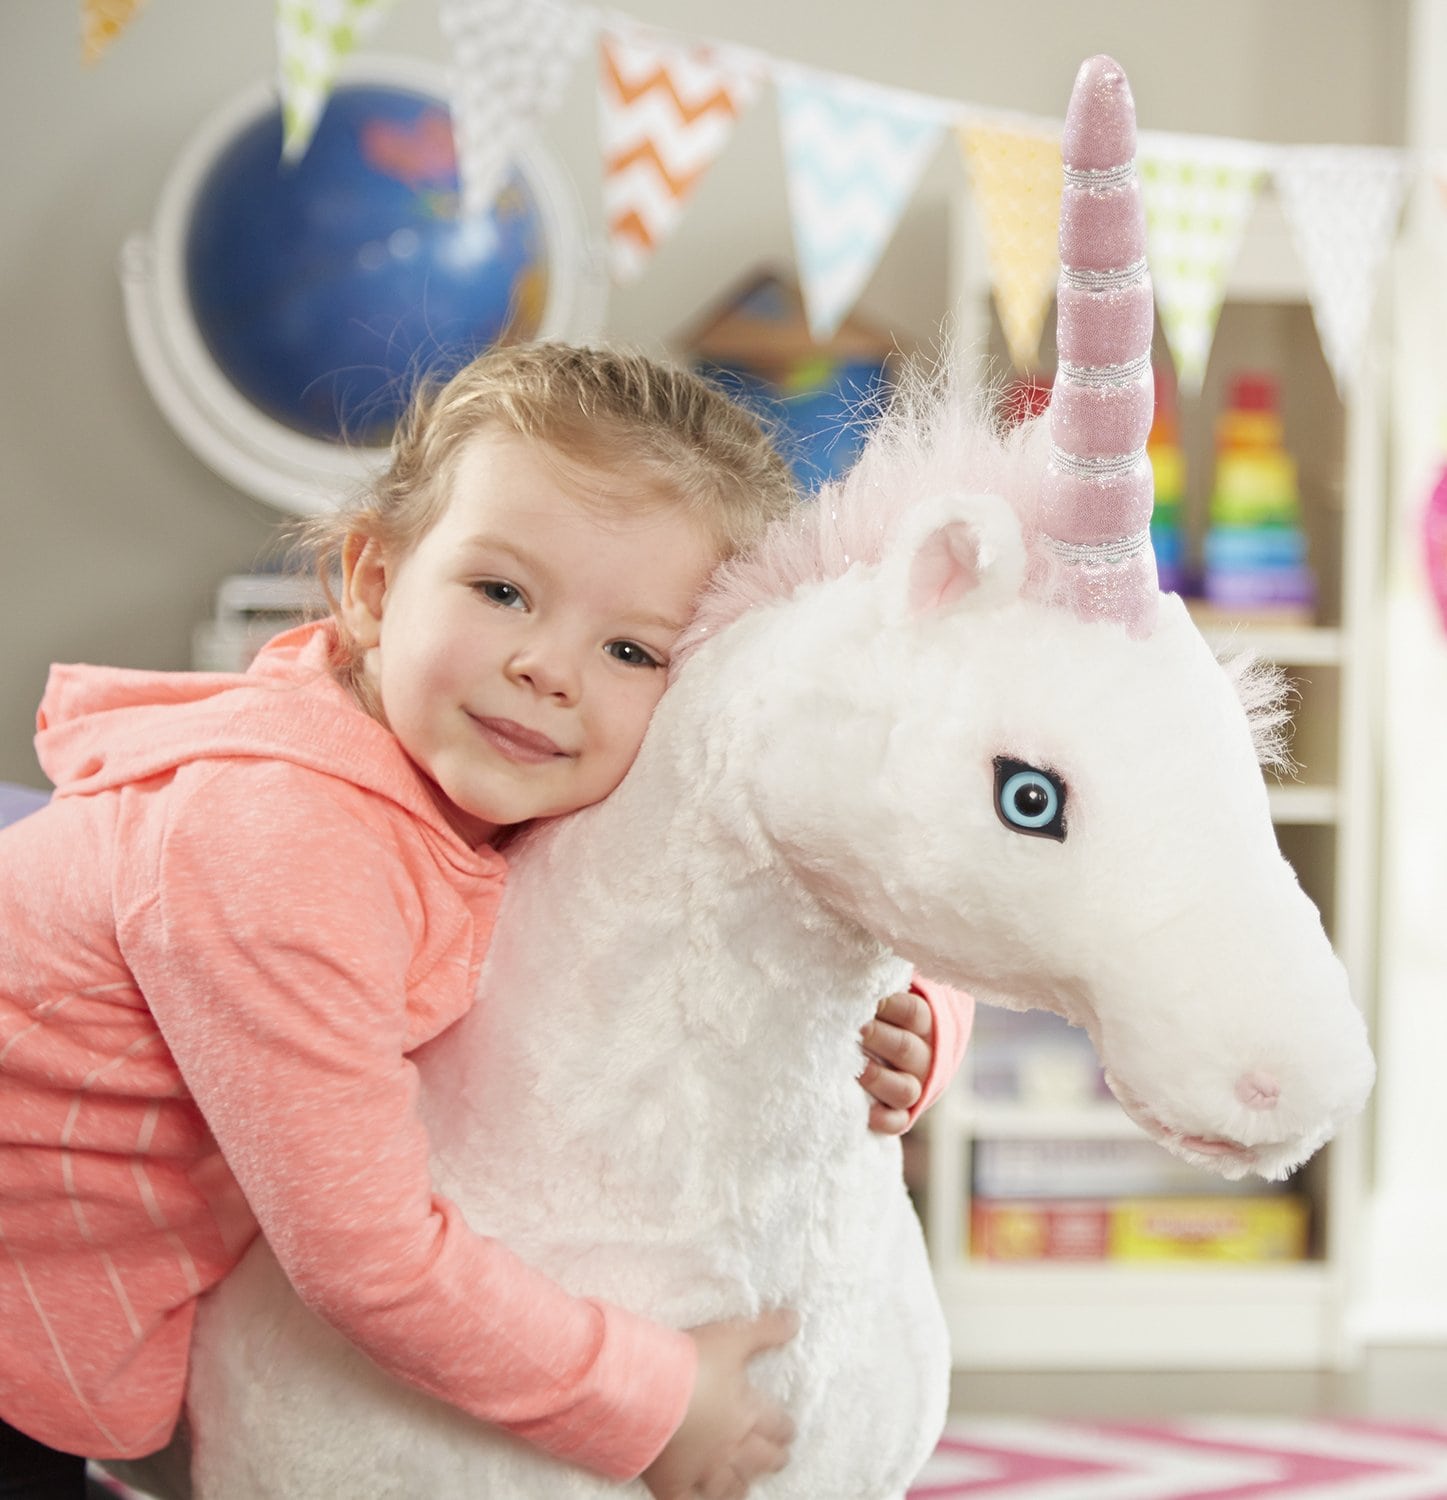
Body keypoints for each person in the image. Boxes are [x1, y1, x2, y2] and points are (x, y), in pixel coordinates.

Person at [0, 342, 971, 1500]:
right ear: (370, 584)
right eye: (500, 591)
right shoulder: (284, 846)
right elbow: (367, 1259)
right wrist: (654, 1404)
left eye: (630, 650)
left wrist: (917, 1014)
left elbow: (798, 878)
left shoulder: (500, 777)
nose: (547, 669)